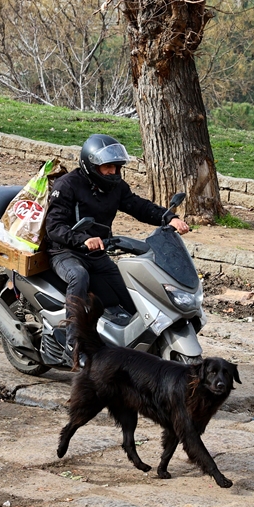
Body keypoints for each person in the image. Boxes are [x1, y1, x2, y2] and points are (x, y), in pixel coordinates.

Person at [44, 134, 190, 356]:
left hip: (98, 253)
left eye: (116, 167)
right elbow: (54, 227)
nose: (113, 172)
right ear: (91, 165)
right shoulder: (67, 185)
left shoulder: (116, 187)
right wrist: (82, 239)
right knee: (79, 276)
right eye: (107, 167)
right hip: (65, 252)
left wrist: (168, 218)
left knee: (128, 294)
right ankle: (72, 343)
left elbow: (137, 206)